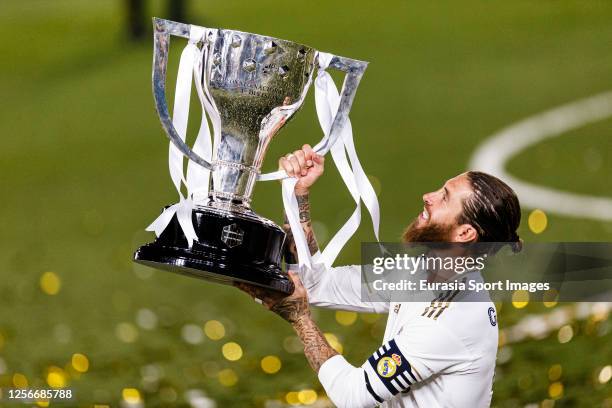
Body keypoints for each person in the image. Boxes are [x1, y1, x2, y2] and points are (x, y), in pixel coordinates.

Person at [236, 144, 522, 408]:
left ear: (465, 234)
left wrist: (301, 319)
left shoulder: (452, 320)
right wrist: (298, 195)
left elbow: (355, 395)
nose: (428, 197)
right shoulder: (422, 272)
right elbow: (318, 286)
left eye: (444, 198)